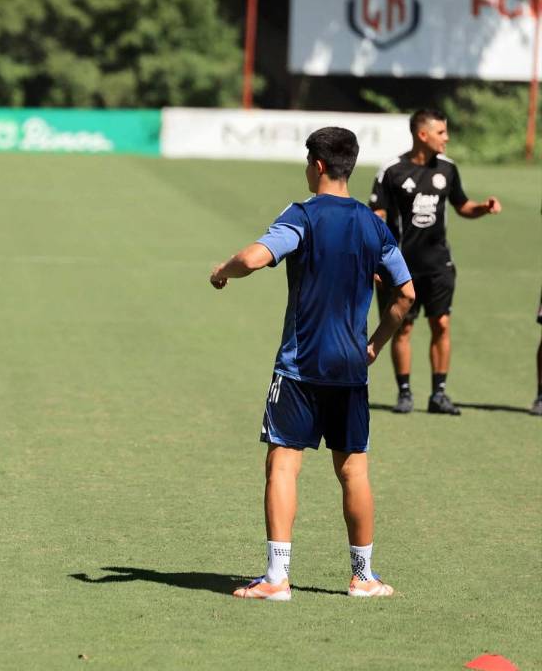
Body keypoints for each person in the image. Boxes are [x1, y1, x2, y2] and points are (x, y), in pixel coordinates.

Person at [210, 126, 416, 601]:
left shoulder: (301, 215)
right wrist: (375, 344)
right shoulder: (374, 226)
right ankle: (363, 577)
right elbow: (405, 295)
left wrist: (223, 271)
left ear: (318, 166)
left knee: (283, 465)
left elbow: (254, 258)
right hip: (350, 368)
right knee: (354, 471)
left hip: (299, 366)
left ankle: (276, 578)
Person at [369, 108, 502, 415]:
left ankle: (438, 394)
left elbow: (462, 206)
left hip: (439, 264)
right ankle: (404, 393)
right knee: (403, 328)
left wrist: (483, 207)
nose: (447, 138)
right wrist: (375, 259)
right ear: (422, 134)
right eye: (441, 132)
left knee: (441, 323)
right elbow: (376, 216)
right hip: (400, 266)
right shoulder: (392, 170)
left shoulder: (448, 169)